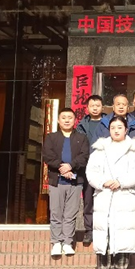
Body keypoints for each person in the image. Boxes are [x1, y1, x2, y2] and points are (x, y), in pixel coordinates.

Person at [86, 116, 135, 269]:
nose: (116, 130)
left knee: (122, 232)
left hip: (125, 195)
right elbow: (91, 172)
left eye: (120, 127)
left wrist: (121, 182)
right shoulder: (100, 149)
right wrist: (103, 182)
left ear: (126, 130)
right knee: (104, 232)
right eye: (113, 128)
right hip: (104, 194)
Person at [43, 108, 90, 257]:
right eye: (63, 117)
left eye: (70, 117)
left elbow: (84, 156)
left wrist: (71, 166)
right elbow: (48, 155)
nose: (67, 120)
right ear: (58, 120)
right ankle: (56, 242)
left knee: (71, 214)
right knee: (56, 213)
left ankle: (68, 242)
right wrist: (62, 168)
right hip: (56, 181)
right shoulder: (51, 137)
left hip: (76, 181)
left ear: (75, 120)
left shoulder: (82, 138)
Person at [75, 94, 106, 244]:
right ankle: (89, 230)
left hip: (105, 167)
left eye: (98, 105)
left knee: (104, 199)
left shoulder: (108, 123)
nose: (95, 108)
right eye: (92, 106)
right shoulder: (81, 125)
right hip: (87, 167)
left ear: (102, 107)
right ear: (87, 108)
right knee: (88, 200)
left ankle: (104, 229)